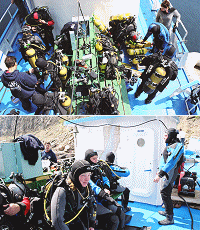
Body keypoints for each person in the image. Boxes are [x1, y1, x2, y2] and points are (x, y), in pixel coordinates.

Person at [85, 149, 129, 230]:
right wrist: (105, 195)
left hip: (103, 198)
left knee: (120, 212)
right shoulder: (85, 173)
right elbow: (93, 186)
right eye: (93, 159)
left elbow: (105, 179)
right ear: (88, 159)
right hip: (94, 202)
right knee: (114, 219)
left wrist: (106, 187)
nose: (96, 160)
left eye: (97, 158)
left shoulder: (98, 168)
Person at [51, 159, 96, 230]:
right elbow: (57, 222)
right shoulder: (62, 191)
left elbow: (92, 205)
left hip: (75, 220)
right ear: (76, 176)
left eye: (89, 175)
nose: (87, 179)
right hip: (64, 225)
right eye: (83, 175)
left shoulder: (86, 187)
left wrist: (91, 224)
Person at [153, 128, 184, 225]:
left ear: (171, 136)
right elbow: (163, 160)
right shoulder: (169, 145)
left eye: (166, 135)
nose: (164, 137)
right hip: (165, 173)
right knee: (165, 192)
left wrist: (160, 174)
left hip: (169, 173)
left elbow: (171, 162)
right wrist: (159, 171)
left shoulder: (178, 146)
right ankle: (167, 212)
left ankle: (170, 218)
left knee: (165, 193)